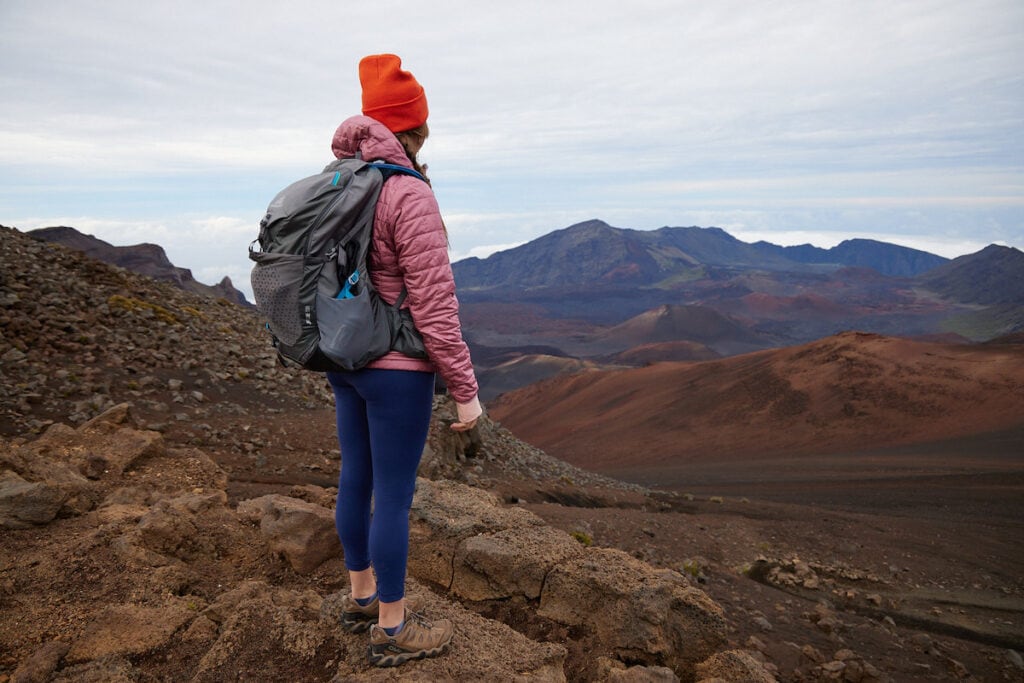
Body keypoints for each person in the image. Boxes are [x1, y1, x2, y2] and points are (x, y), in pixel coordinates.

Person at [327, 53, 482, 667]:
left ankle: (361, 595)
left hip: (344, 358)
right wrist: (466, 394)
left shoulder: (340, 179)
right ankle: (392, 628)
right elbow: (436, 309)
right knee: (393, 494)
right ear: (412, 129)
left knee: (355, 476)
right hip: (396, 371)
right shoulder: (406, 192)